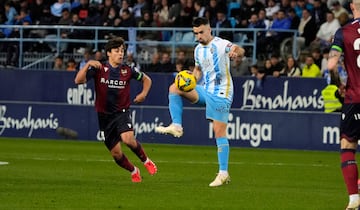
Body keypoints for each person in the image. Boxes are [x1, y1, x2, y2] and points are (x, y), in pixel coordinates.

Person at [155, 17, 245, 187]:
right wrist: (190, 79)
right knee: (174, 88)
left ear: (209, 29)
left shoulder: (220, 44)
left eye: (201, 32)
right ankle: (177, 126)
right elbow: (197, 72)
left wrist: (235, 53)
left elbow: (239, 50)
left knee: (219, 132)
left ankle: (224, 173)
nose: (198, 36)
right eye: (195, 33)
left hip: (221, 93)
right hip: (205, 90)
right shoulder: (197, 50)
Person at [74, 37, 157, 183]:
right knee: (117, 154)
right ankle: (133, 170)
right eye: (117, 51)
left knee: (128, 139)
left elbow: (147, 80)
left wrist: (144, 94)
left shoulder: (128, 70)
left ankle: (146, 161)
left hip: (121, 112)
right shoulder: (99, 68)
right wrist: (87, 65)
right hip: (104, 117)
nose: (120, 54)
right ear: (108, 53)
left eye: (122, 51)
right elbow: (78, 81)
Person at [327, 0, 360, 208]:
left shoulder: (344, 32)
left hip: (354, 98)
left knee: (347, 145)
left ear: (351, 6)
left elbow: (331, 64)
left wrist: (339, 82)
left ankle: (353, 198)